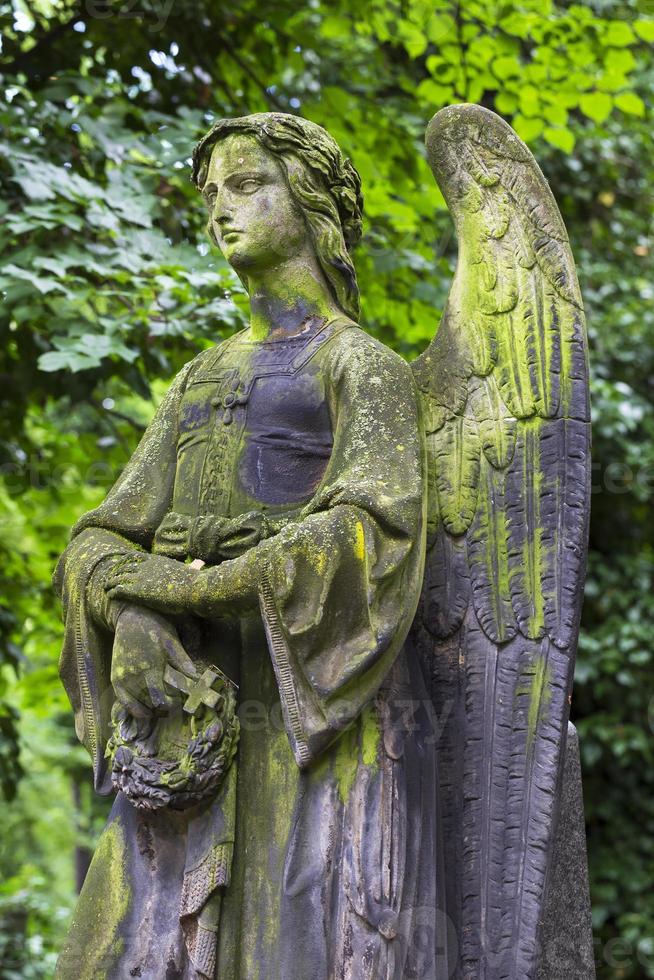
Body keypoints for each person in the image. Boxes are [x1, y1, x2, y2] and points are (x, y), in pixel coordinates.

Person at [54, 112, 438, 980]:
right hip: (192, 715)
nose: (222, 210)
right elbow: (99, 537)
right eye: (212, 194)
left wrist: (195, 591)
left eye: (248, 185)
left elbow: (373, 529)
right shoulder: (203, 377)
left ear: (309, 203)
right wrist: (134, 616)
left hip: (313, 707)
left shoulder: (358, 365)